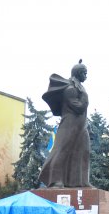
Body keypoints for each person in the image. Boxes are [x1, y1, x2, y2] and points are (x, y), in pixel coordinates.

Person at [39, 60, 91, 188]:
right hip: (69, 126)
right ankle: (55, 180)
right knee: (62, 150)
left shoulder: (79, 88)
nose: (86, 75)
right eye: (84, 73)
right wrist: (85, 96)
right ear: (78, 73)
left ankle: (81, 181)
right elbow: (79, 107)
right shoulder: (70, 89)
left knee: (83, 152)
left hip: (81, 127)